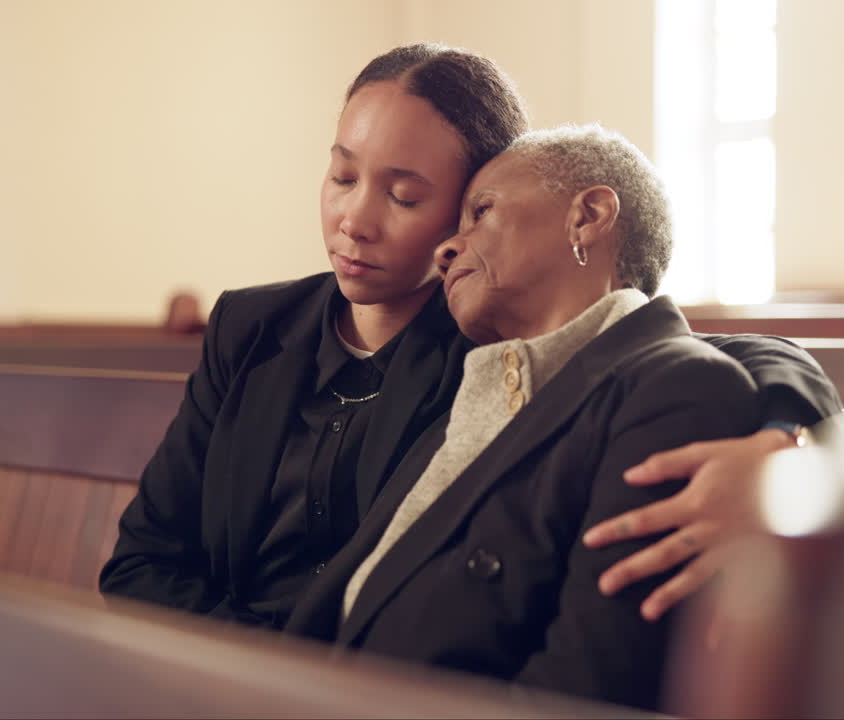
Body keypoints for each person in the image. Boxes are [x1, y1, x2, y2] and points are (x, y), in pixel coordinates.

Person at [99, 43, 839, 630]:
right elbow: (141, 562)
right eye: (341, 176)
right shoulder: (250, 327)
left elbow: (681, 347)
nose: (355, 219)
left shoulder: (493, 346)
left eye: (403, 195)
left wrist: (784, 433)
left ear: (466, 209)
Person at [284, 124, 755, 710]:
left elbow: (589, 692)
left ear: (587, 216)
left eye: (480, 212)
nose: (445, 249)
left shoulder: (675, 389)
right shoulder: (476, 394)